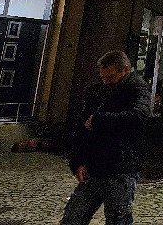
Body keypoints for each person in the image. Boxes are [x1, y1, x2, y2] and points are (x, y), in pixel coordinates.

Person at [61, 50, 151, 225]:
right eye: (103, 77)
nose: (106, 81)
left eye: (110, 77)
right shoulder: (98, 91)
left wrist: (100, 120)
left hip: (120, 169)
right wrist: (78, 161)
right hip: (94, 167)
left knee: (118, 219)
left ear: (125, 69)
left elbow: (138, 117)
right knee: (73, 217)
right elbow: (81, 128)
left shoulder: (137, 89)